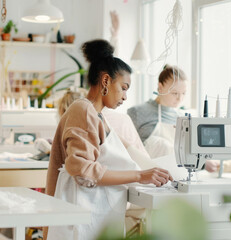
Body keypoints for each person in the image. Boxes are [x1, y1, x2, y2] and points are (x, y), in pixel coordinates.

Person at [45, 39, 173, 240]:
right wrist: (139, 176)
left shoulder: (97, 115)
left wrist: (151, 170)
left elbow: (122, 149)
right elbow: (82, 171)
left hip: (92, 218)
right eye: (123, 87)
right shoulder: (83, 110)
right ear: (105, 81)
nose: (125, 97)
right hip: (80, 222)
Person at [128, 65, 219, 172]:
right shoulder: (137, 112)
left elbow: (187, 152)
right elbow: (129, 150)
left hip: (177, 176)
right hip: (146, 177)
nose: (179, 98)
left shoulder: (184, 118)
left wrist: (201, 162)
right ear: (160, 87)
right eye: (174, 93)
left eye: (183, 93)